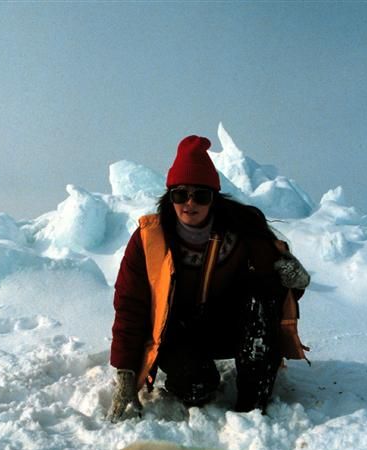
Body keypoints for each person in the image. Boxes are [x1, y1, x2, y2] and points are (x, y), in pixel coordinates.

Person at [108, 135, 310, 421]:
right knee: (196, 388)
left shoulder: (243, 232)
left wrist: (295, 281)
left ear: (214, 198)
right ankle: (197, 381)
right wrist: (126, 372)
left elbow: (276, 294)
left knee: (259, 298)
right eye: (180, 194)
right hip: (176, 332)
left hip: (229, 326)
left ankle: (253, 403)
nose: (190, 203)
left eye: (200, 195)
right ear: (169, 197)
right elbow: (130, 306)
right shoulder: (148, 240)